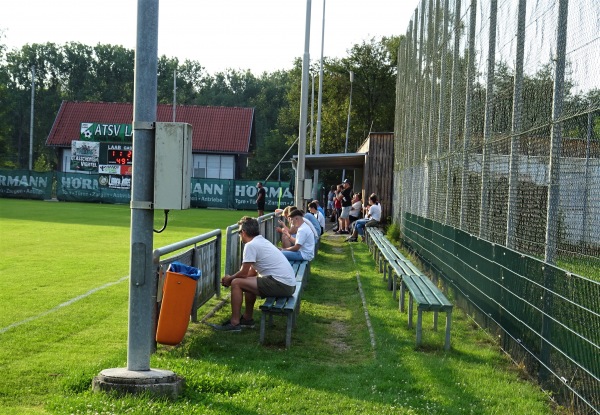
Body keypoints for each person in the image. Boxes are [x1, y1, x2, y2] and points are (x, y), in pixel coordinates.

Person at [212, 216, 297, 332]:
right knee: (248, 280)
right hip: (288, 284)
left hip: (282, 284)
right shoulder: (261, 241)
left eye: (239, 232)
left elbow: (243, 273)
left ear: (243, 232)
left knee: (237, 283)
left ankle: (234, 323)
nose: (239, 235)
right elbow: (250, 273)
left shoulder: (250, 245)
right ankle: (247, 319)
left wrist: (229, 279)